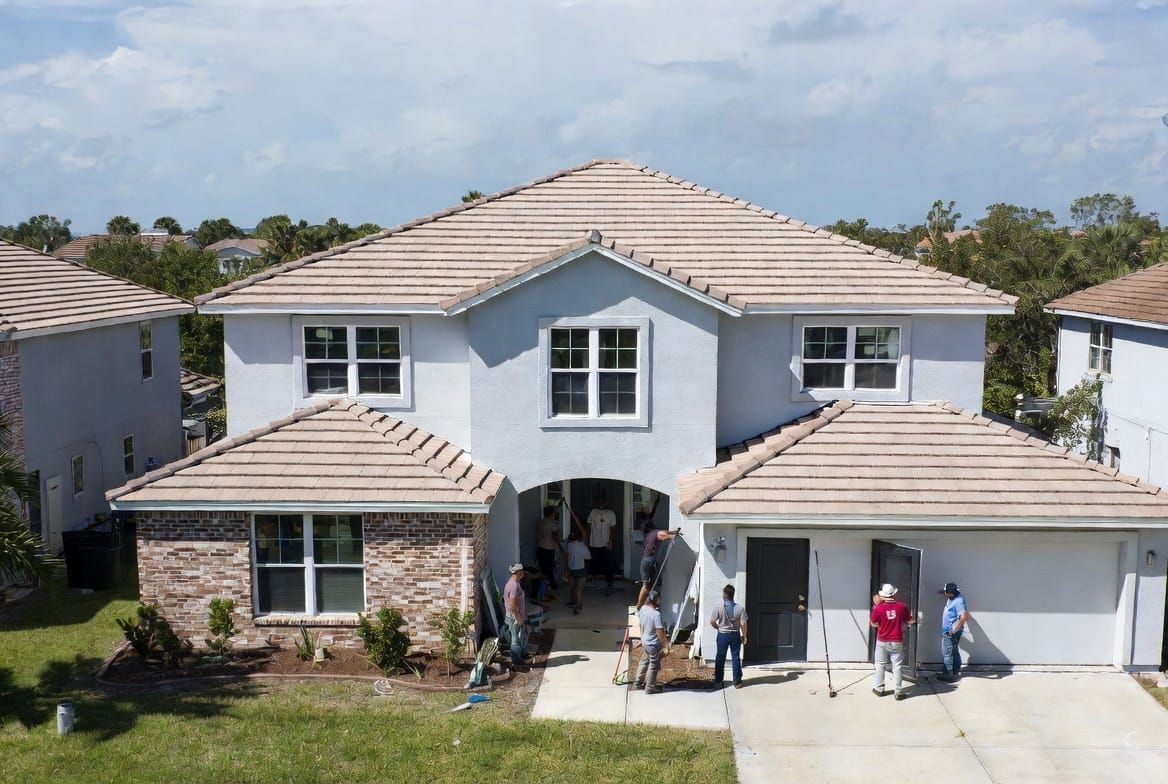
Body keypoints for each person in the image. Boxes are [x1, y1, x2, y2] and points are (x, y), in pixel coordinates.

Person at [870, 583, 914, 700]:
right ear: (894, 594)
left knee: (880, 665)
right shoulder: (902, 607)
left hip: (882, 641)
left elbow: (873, 623)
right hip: (897, 640)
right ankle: (898, 691)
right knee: (897, 666)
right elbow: (910, 621)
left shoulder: (878, 608)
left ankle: (879, 689)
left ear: (883, 595)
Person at [636, 497, 676, 609]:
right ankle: (639, 606)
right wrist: (674, 536)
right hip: (649, 561)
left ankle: (646, 604)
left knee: (650, 584)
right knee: (646, 585)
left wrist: (672, 531)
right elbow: (663, 534)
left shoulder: (648, 535)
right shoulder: (656, 532)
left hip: (645, 561)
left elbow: (664, 531)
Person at [710, 583, 748, 689]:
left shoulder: (718, 607)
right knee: (736, 657)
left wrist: (718, 627)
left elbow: (712, 621)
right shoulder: (740, 608)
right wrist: (744, 636)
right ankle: (737, 682)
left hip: (722, 635)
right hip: (735, 635)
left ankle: (718, 681)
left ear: (725, 594)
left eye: (723, 592)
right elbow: (743, 623)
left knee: (720, 657)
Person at [634, 590, 669, 694]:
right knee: (653, 665)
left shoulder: (642, 609)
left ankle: (637, 684)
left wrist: (642, 638)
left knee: (644, 662)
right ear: (657, 599)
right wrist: (665, 645)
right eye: (660, 599)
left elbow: (641, 625)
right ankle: (649, 688)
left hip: (645, 642)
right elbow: (660, 632)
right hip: (653, 645)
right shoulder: (656, 614)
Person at [938, 582, 970, 682]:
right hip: (951, 630)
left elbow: (964, 617)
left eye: (945, 592)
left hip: (950, 631)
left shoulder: (959, 602)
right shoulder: (954, 596)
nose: (945, 593)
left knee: (947, 653)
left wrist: (954, 630)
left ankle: (948, 675)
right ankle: (955, 671)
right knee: (954, 651)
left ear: (950, 593)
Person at [586, 495, 617, 594]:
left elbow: (613, 528)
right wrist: (587, 540)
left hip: (606, 543)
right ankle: (593, 581)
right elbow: (589, 526)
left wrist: (611, 540)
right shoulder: (593, 512)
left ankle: (609, 583)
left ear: (606, 502)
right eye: (598, 501)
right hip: (594, 543)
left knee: (608, 563)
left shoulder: (611, 513)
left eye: (602, 501)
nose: (600, 503)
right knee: (594, 563)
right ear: (596, 502)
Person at [503, 563, 528, 669]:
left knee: (518, 637)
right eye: (522, 571)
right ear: (518, 572)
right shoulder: (513, 585)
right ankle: (516, 662)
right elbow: (512, 604)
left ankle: (519, 657)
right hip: (514, 617)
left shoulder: (514, 583)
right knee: (515, 640)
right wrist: (517, 617)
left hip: (516, 616)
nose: (523, 573)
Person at [562, 529, 591, 615]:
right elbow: (588, 557)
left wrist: (565, 571)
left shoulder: (569, 546)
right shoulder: (582, 546)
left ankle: (572, 602)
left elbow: (566, 558)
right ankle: (578, 606)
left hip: (571, 569)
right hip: (581, 570)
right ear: (579, 538)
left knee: (572, 587)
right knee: (579, 589)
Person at [535, 503, 561, 591]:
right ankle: (552, 585)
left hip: (540, 547)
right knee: (549, 569)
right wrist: (560, 546)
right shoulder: (552, 523)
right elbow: (554, 536)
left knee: (543, 568)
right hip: (548, 548)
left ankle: (544, 586)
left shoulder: (541, 522)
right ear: (551, 513)